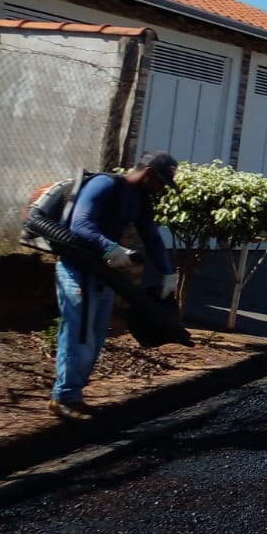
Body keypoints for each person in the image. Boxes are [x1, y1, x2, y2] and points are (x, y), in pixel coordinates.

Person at [50, 150, 180, 419]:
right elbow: (80, 224)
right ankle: (64, 398)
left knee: (95, 336)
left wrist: (169, 273)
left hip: (103, 273)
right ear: (148, 174)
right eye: (161, 183)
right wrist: (112, 249)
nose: (161, 190)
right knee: (80, 333)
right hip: (77, 269)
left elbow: (152, 238)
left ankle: (72, 395)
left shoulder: (141, 199)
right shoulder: (104, 184)